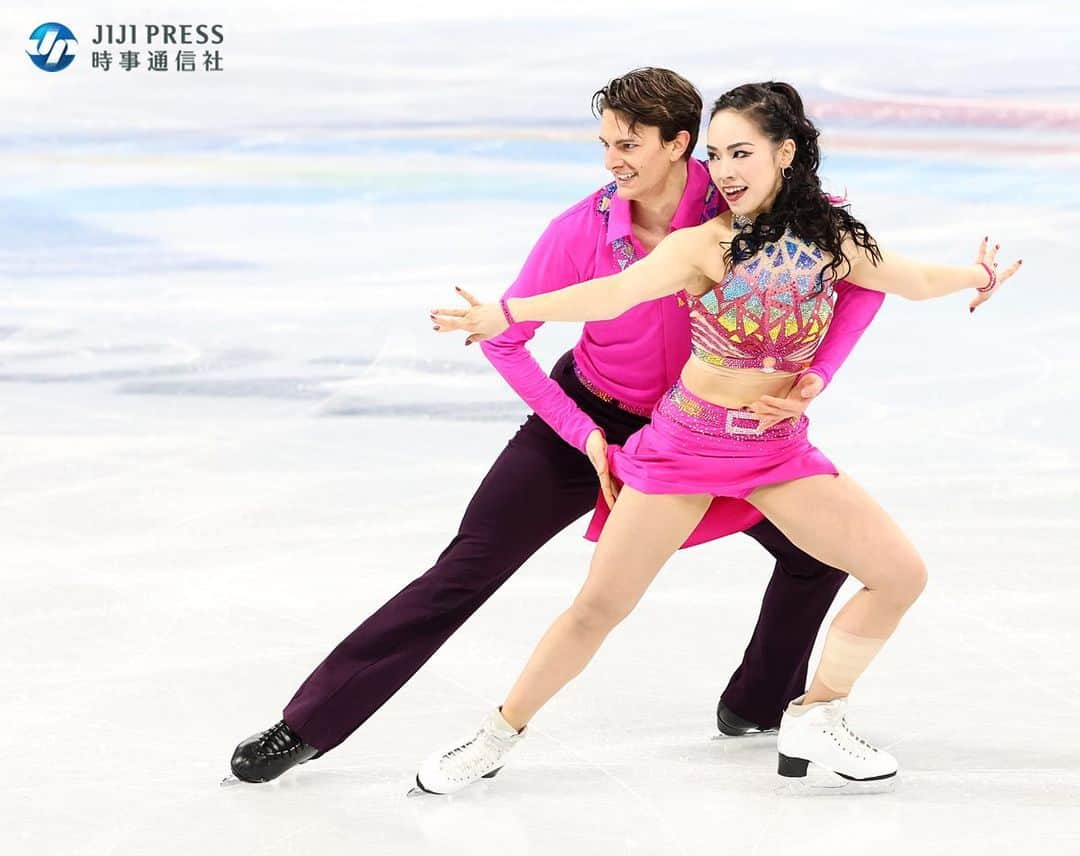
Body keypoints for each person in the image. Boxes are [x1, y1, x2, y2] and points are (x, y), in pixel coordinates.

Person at [227, 69, 885, 785]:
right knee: (466, 568)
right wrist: (584, 437)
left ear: (679, 144)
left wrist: (815, 377)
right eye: (605, 143)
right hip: (588, 415)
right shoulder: (577, 233)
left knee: (818, 552)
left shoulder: (747, 195)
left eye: (628, 144)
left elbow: (861, 277)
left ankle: (755, 706)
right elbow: (506, 339)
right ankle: (308, 724)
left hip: (704, 433)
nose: (612, 160)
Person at [419, 80, 1020, 794]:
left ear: (786, 153)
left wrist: (978, 273)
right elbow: (614, 293)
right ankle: (495, 735)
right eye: (716, 154)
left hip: (776, 452)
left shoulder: (834, 237)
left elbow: (912, 278)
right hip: (685, 449)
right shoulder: (706, 242)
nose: (725, 170)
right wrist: (509, 310)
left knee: (900, 576)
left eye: (742, 152)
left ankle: (818, 713)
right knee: (597, 609)